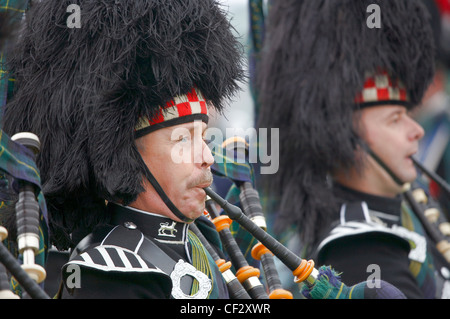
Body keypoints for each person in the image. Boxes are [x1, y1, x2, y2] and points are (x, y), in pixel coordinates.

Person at [2, 0, 245, 299]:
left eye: (205, 139)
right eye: (183, 139)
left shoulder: (203, 241)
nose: (207, 157)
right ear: (125, 155)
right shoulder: (106, 273)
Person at [256, 0, 450, 298]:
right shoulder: (360, 249)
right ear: (345, 136)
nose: (417, 131)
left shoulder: (410, 204)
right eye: (395, 119)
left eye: (409, 114)